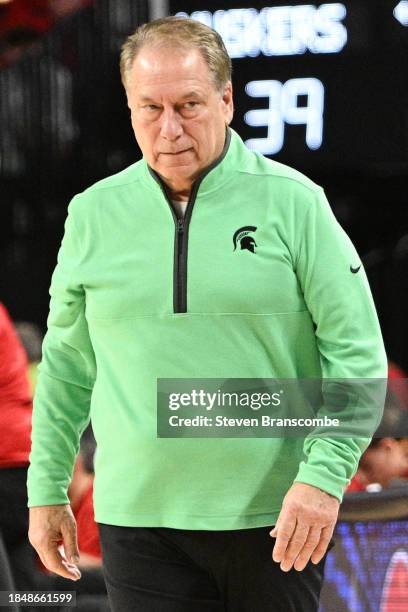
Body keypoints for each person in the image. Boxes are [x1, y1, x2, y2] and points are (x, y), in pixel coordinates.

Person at [27, 16, 387, 612]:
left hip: (278, 519)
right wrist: (45, 490)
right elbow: (66, 367)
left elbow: (357, 353)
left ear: (226, 99)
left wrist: (324, 478)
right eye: (150, 108)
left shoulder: (295, 203)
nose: (169, 129)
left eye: (189, 104)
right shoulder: (92, 214)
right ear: (129, 107)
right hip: (137, 521)